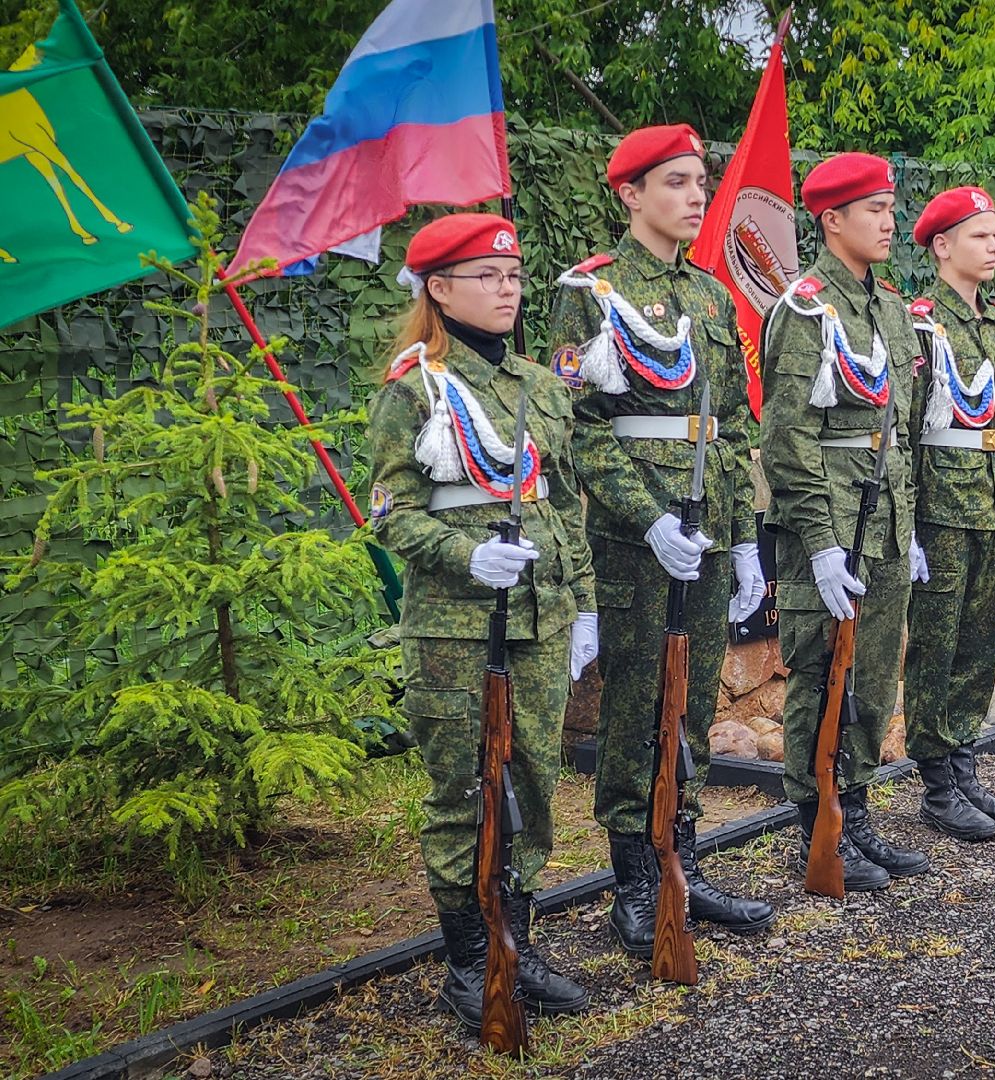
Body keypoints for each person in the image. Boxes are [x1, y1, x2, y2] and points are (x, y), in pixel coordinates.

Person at [364, 213, 595, 1029]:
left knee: (532, 781)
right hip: (457, 629)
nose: (507, 288)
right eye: (487, 276)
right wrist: (464, 556)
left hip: (542, 617)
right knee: (466, 789)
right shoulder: (414, 387)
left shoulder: (538, 384)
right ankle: (470, 963)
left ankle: (517, 945)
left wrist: (588, 602)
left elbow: (563, 500)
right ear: (438, 288)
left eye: (514, 275)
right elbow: (388, 512)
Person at [548, 124, 774, 958]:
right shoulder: (589, 292)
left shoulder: (713, 297)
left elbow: (735, 426)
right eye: (675, 181)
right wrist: (647, 516)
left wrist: (747, 538)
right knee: (638, 705)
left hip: (708, 527)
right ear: (629, 194)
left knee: (691, 703)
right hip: (634, 538)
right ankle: (634, 883)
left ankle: (681, 858)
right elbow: (579, 427)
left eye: (699, 181)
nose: (694, 195)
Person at [761, 153, 928, 891]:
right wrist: (821, 545)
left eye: (891, 208)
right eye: (873, 210)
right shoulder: (803, 308)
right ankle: (815, 826)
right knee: (822, 675)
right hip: (828, 519)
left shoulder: (891, 308)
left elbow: (899, 426)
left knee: (871, 674)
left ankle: (855, 815)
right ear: (832, 220)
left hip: (886, 514)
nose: (890, 222)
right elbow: (787, 438)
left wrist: (911, 523)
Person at [901, 187, 995, 842]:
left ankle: (963, 761)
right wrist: (911, 522)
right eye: (979, 236)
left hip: (992, 495)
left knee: (980, 641)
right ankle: (936, 782)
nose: (993, 245)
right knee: (938, 641)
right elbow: (905, 428)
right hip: (941, 507)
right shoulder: (919, 324)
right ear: (942, 245)